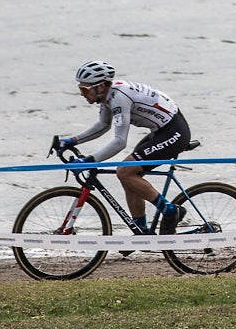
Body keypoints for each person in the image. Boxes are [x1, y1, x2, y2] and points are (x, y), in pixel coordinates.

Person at [57, 61, 192, 233]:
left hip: (174, 133)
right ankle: (140, 229)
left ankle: (171, 210)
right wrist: (71, 141)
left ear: (101, 86)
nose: (82, 94)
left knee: (125, 171)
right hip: (161, 132)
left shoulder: (119, 98)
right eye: (80, 89)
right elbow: (103, 125)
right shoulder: (107, 96)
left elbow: (120, 141)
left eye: (85, 89)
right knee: (128, 176)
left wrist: (89, 160)